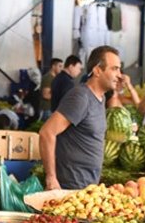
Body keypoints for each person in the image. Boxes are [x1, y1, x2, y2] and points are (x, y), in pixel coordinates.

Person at [39, 46, 124, 190]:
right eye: (114, 69)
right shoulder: (81, 97)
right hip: (70, 186)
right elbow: (46, 133)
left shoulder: (100, 98)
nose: (120, 75)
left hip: (88, 186)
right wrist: (51, 178)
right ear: (97, 70)